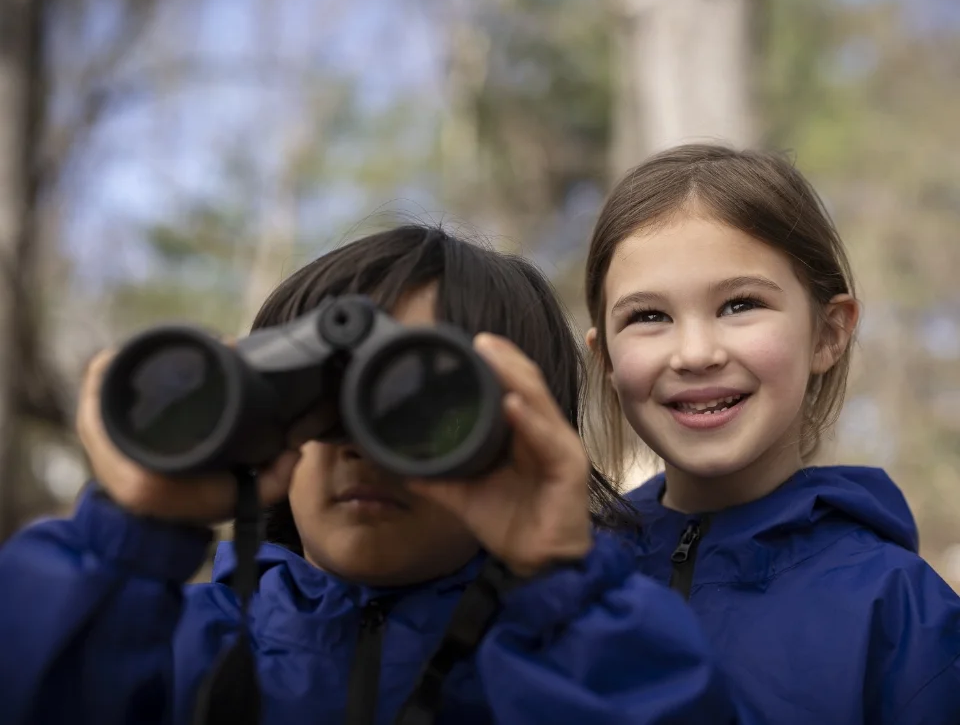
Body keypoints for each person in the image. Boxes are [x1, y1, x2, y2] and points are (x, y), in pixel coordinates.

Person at [0, 224, 749, 725]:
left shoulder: (576, 657)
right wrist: (125, 544)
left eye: (417, 403)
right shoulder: (175, 641)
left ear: (523, 430)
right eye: (321, 398)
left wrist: (566, 593)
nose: (361, 443)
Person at [581, 143, 960, 724]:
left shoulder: (901, 611)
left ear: (829, 334)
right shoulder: (562, 582)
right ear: (604, 356)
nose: (696, 353)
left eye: (739, 304)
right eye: (649, 316)